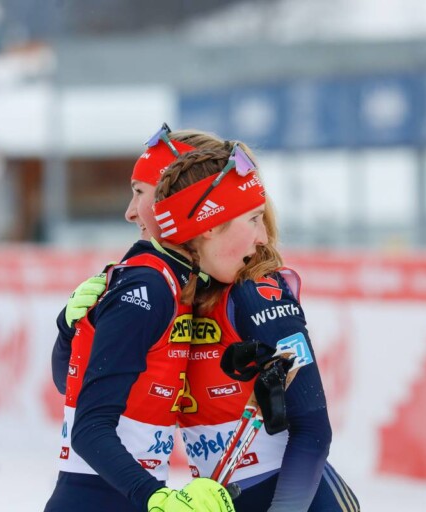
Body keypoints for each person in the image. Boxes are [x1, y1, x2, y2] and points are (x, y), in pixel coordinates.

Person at [57, 127, 359, 511]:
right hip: (223, 497)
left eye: (140, 192)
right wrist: (72, 330)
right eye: (252, 220)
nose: (134, 211)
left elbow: (313, 430)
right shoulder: (176, 292)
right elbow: (92, 396)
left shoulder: (254, 291)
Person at [43, 129, 263, 512]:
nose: (130, 211)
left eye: (139, 192)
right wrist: (159, 498)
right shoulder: (150, 284)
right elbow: (88, 420)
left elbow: (88, 390)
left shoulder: (184, 285)